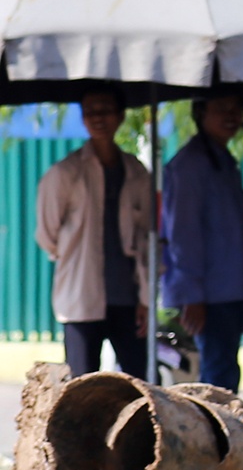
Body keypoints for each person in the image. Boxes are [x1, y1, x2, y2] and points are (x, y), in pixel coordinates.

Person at [35, 90, 154, 379]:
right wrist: (76, 255)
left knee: (139, 384)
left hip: (127, 297)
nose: (98, 117)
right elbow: (47, 235)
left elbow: (146, 237)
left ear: (121, 116)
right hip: (80, 296)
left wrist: (145, 297)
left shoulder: (136, 172)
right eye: (91, 111)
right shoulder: (65, 173)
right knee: (81, 385)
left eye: (106, 109)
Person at [162, 93, 243, 391]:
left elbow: (237, 237)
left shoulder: (224, 161)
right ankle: (213, 423)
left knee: (226, 370)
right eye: (221, 108)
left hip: (232, 291)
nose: (230, 115)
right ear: (201, 113)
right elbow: (183, 234)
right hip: (210, 295)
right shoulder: (189, 165)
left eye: (236, 108)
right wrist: (192, 295)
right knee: (217, 377)